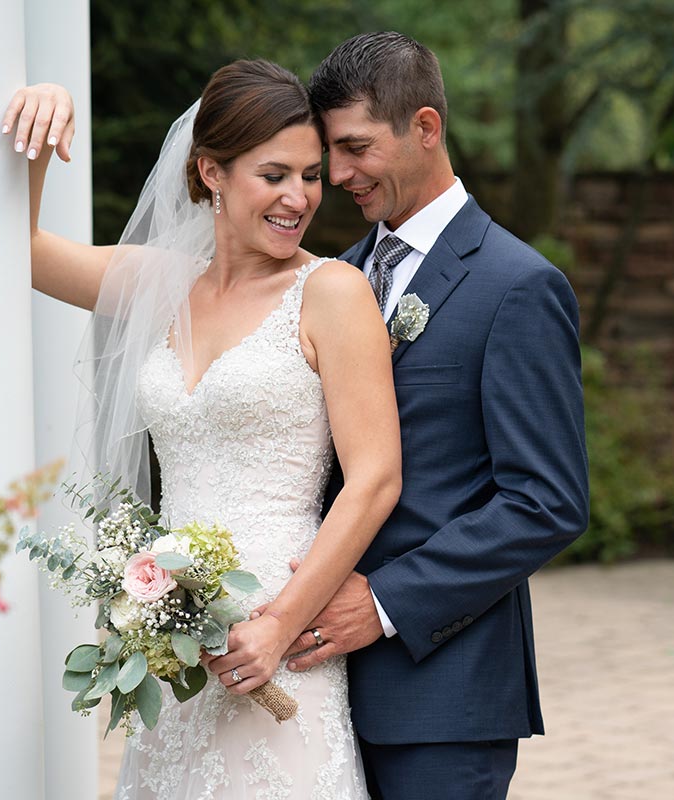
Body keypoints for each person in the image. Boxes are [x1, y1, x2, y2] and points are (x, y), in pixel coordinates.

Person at [2, 60, 400, 798]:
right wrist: (42, 117)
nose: (299, 197)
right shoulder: (160, 282)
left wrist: (279, 625)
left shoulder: (332, 292)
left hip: (280, 630)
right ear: (211, 172)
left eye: (310, 176)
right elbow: (19, 252)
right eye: (274, 175)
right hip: (173, 634)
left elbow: (375, 479)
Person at [274, 32, 590, 800]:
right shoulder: (333, 279)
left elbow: (546, 501)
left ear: (424, 127)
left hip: (443, 696)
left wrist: (385, 603)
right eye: (329, 153)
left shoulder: (517, 286)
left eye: (355, 149)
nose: (336, 176)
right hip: (313, 695)